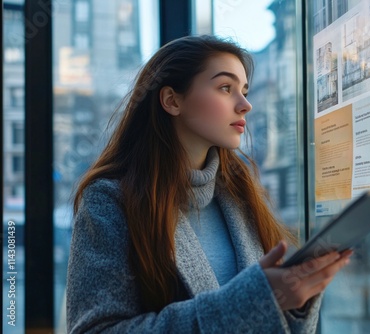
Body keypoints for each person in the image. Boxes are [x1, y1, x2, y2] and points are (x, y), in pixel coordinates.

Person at [66, 35, 353, 333]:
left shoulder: (242, 194)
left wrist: (294, 301)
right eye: (225, 88)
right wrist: (249, 300)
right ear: (172, 100)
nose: (245, 105)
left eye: (244, 90)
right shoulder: (109, 201)